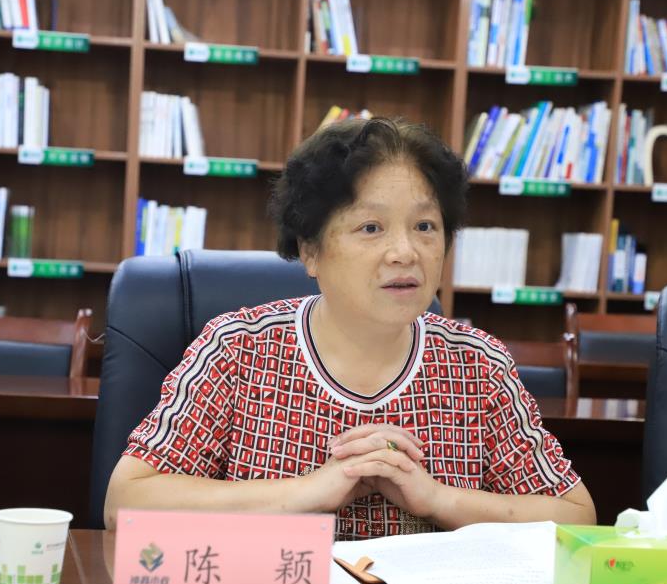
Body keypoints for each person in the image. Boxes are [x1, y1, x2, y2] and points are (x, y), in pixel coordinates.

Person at [104, 117, 595, 536]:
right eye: (371, 227)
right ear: (310, 251)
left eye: (425, 227)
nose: (405, 252)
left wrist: (436, 499)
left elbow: (576, 517)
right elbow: (125, 503)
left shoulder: (477, 364)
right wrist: (309, 492)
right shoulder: (238, 349)